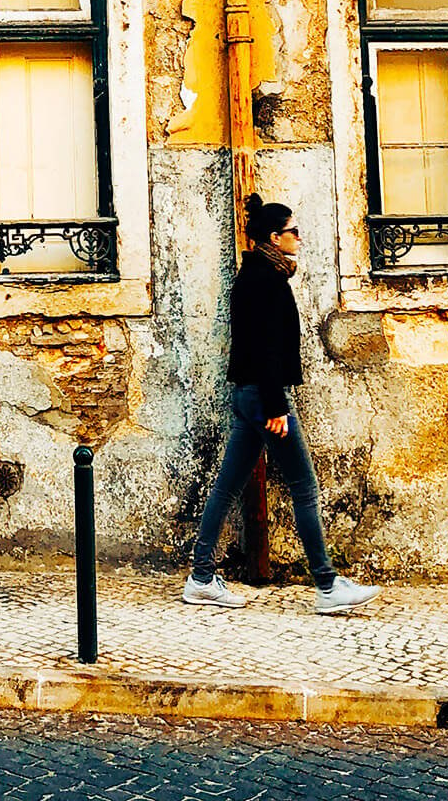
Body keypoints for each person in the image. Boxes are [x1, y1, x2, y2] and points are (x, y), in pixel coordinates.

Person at [183, 192, 380, 615]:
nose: (299, 237)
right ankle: (326, 586)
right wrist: (275, 407)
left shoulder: (259, 275)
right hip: (263, 398)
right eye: (293, 231)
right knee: (304, 489)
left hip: (251, 395)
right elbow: (263, 348)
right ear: (274, 236)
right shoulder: (265, 281)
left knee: (227, 486)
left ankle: (201, 577)